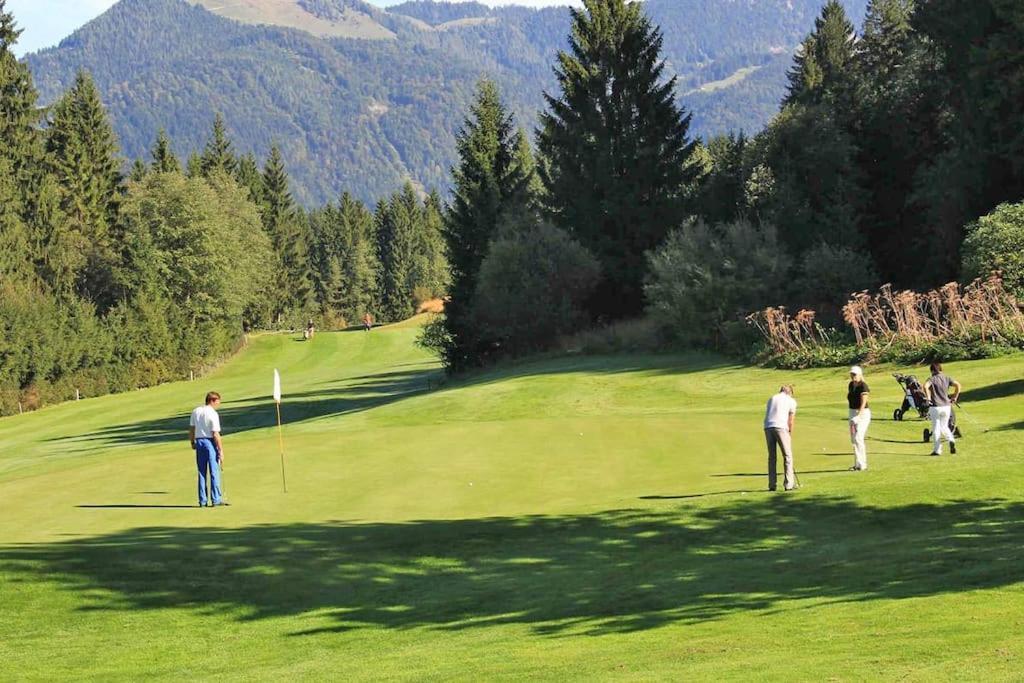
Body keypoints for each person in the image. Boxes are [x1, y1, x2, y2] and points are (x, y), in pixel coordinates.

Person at [189, 391, 227, 507]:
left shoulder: (196, 411)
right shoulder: (213, 413)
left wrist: (192, 442)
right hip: (209, 442)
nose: (218, 405)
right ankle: (215, 499)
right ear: (212, 401)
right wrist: (220, 450)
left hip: (199, 441)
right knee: (214, 471)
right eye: (217, 402)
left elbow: (191, 429)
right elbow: (215, 434)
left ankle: (202, 501)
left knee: (201, 472)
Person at [764, 385, 797, 491]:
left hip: (768, 427)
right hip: (781, 427)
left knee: (772, 457)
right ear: (790, 393)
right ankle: (789, 484)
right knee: (787, 456)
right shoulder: (791, 400)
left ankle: (772, 485)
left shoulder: (772, 398)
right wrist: (790, 432)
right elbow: (790, 420)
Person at [924, 361, 961, 456]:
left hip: (935, 406)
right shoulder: (947, 378)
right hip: (946, 406)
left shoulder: (932, 379)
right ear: (940, 369)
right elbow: (958, 385)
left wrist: (928, 398)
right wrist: (955, 397)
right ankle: (951, 440)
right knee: (944, 426)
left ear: (932, 370)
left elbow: (925, 386)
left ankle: (937, 450)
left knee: (936, 428)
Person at [847, 366, 871, 471]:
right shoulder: (851, 385)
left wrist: (859, 416)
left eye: (855, 374)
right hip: (852, 412)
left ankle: (863, 464)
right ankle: (857, 464)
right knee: (853, 439)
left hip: (863, 414)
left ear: (860, 374)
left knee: (858, 437)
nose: (853, 376)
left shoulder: (863, 386)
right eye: (852, 374)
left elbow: (863, 403)